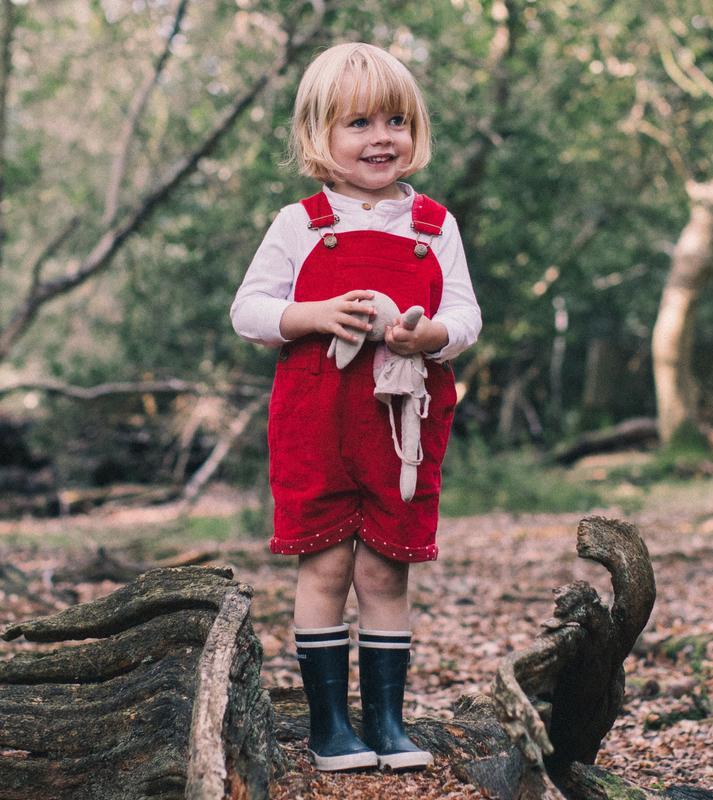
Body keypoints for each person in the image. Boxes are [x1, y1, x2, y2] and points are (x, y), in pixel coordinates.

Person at [230, 42, 481, 772]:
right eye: (359, 122)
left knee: (385, 570)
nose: (382, 137)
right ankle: (331, 726)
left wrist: (429, 333)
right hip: (316, 419)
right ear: (319, 136)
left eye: (396, 121)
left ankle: (390, 722)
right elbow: (250, 311)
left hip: (402, 425)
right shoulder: (300, 223)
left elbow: (465, 318)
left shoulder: (433, 225)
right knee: (326, 566)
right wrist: (313, 314)